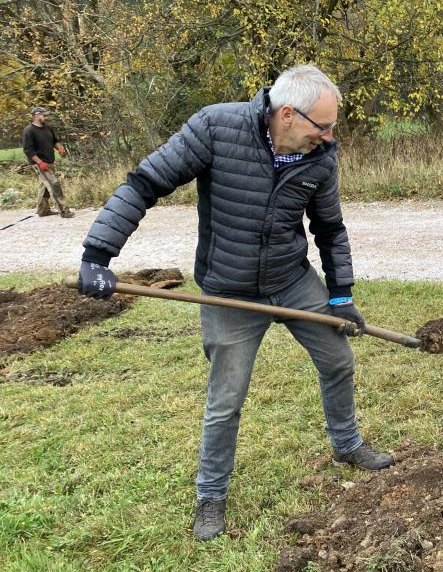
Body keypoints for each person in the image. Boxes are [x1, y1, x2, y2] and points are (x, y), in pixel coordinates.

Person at [76, 65, 394, 542]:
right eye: (321, 126)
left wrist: (341, 295)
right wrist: (97, 255)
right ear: (287, 113)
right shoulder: (214, 127)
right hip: (228, 290)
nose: (329, 137)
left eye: (332, 128)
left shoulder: (320, 156)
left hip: (291, 280)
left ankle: (347, 444)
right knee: (226, 401)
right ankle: (211, 495)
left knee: (338, 361)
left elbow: (330, 229)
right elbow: (145, 183)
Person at [22, 106, 73, 218]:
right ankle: (64, 211)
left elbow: (55, 141)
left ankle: (43, 210)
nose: (46, 117)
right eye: (44, 115)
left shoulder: (48, 129)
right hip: (39, 163)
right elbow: (28, 150)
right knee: (54, 183)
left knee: (45, 186)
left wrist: (60, 148)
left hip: (50, 161)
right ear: (36, 115)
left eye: (46, 115)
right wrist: (40, 162)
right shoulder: (28, 131)